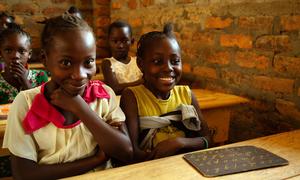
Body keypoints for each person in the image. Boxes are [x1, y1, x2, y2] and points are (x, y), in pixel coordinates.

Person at [3, 12, 133, 179]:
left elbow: (126, 152)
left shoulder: (103, 95)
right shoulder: (26, 103)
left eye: (88, 62)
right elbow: (24, 174)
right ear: (45, 58)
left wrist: (80, 108)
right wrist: (96, 160)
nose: (79, 75)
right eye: (66, 62)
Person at [121, 23, 212, 163]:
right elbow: (133, 152)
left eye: (175, 61)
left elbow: (207, 140)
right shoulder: (132, 96)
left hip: (187, 166)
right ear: (140, 64)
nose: (168, 68)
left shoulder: (186, 94)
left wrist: (179, 143)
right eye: (157, 62)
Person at [0, 23, 48, 104]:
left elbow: (44, 107)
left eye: (21, 51)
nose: (15, 56)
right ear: (1, 54)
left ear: (29, 54)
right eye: (8, 50)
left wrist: (26, 82)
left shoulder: (40, 76)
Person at [101, 20, 143, 96]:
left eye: (124, 41)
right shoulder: (107, 63)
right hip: (119, 104)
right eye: (115, 41)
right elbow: (115, 88)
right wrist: (142, 82)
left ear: (132, 41)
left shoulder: (138, 61)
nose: (120, 46)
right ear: (108, 42)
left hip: (141, 99)